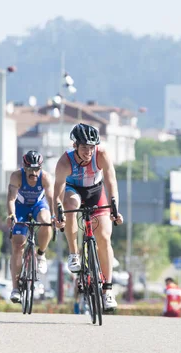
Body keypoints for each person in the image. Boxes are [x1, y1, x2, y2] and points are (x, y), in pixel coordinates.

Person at [53, 123, 124, 311]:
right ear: (75, 145)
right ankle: (74, 254)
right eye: (84, 147)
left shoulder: (102, 155)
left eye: (91, 147)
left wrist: (115, 207)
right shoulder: (64, 162)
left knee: (104, 237)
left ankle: (108, 290)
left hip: (96, 191)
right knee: (71, 205)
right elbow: (57, 191)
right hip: (72, 191)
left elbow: (111, 181)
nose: (88, 152)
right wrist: (57, 214)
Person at [6, 150, 54, 303]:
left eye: (36, 169)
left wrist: (55, 217)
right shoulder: (16, 176)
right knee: (18, 243)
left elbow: (51, 198)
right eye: (29, 169)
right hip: (20, 207)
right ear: (24, 168)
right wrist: (11, 215)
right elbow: (11, 198)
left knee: (46, 221)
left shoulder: (45, 177)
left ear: (40, 168)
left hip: (38, 205)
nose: (33, 173)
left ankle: (41, 254)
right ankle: (15, 288)